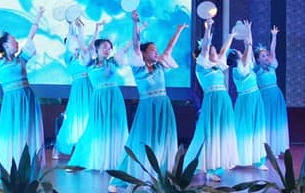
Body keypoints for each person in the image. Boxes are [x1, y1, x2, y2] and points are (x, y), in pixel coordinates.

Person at [109, 12, 188, 190]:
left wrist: (179, 30)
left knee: (163, 140)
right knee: (142, 141)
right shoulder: (138, 67)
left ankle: (162, 176)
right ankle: (127, 178)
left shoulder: (160, 65)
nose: (156, 52)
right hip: (147, 107)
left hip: (163, 106)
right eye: (152, 50)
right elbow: (136, 43)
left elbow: (170, 47)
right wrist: (135, 23)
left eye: (156, 49)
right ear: (143, 53)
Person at [0, 6, 46, 179]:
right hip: (11, 101)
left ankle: (28, 170)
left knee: (27, 132)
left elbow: (31, 36)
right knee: (11, 133)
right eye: (14, 41)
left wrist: (38, 17)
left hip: (28, 99)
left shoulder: (21, 58)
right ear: (6, 44)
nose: (17, 43)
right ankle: (9, 169)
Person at [67, 21, 129, 171]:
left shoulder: (114, 62)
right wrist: (80, 29)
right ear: (97, 49)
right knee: (95, 128)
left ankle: (116, 161)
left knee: (116, 127)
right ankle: (89, 160)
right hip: (98, 99)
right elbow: (83, 47)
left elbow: (126, 47)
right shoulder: (90, 63)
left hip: (114, 98)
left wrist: (137, 28)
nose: (107, 50)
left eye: (109, 47)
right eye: (104, 47)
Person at [185, 18, 239, 182]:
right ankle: (203, 167)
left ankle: (217, 165)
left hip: (224, 100)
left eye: (215, 51)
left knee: (222, 132)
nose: (216, 53)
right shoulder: (201, 66)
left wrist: (231, 35)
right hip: (212, 101)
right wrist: (208, 28)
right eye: (212, 51)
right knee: (208, 133)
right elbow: (206, 46)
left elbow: (224, 50)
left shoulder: (218, 65)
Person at [227, 20, 267, 170]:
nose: (240, 52)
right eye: (238, 52)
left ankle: (258, 160)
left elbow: (248, 46)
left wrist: (248, 30)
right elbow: (248, 48)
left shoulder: (247, 64)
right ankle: (235, 158)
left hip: (255, 97)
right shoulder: (239, 69)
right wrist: (248, 39)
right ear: (236, 58)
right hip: (245, 100)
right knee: (243, 128)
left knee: (257, 127)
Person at [53, 18, 93, 159]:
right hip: (78, 90)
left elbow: (90, 45)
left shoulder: (85, 54)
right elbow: (71, 37)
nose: (76, 41)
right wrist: (70, 25)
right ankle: (59, 146)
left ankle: (86, 148)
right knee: (73, 119)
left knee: (89, 118)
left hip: (90, 87)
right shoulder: (68, 57)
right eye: (73, 40)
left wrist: (92, 30)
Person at [255, 26, 289, 156]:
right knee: (267, 122)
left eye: (266, 55)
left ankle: (277, 148)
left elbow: (273, 50)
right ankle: (267, 150)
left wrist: (274, 36)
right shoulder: (256, 70)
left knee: (277, 121)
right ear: (258, 59)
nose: (266, 57)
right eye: (263, 56)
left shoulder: (272, 67)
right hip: (264, 98)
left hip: (276, 96)